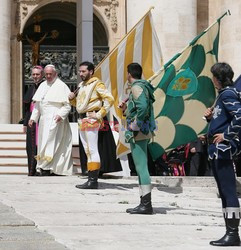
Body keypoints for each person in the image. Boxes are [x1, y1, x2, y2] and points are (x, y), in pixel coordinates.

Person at [204, 62, 241, 246]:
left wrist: (226, 135)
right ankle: (230, 232)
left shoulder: (227, 94)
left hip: (223, 150)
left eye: (213, 76)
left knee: (228, 191)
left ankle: (233, 233)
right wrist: (210, 120)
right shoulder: (223, 95)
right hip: (216, 150)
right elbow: (225, 118)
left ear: (218, 78)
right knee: (224, 192)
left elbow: (240, 116)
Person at [69, 61, 114, 189]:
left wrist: (99, 115)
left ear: (91, 71)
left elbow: (109, 99)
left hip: (91, 119)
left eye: (83, 71)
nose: (80, 73)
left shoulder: (97, 84)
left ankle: (93, 180)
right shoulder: (82, 85)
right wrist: (72, 99)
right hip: (82, 119)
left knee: (92, 149)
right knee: (88, 150)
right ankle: (91, 178)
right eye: (79, 71)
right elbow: (79, 105)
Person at [119, 63, 156, 214]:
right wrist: (125, 110)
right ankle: (144, 201)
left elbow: (142, 107)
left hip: (139, 131)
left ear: (129, 74)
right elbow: (138, 107)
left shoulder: (136, 87)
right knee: (141, 166)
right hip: (142, 129)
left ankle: (146, 204)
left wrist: (135, 124)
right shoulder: (142, 86)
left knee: (141, 167)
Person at [28, 64, 73, 176]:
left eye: (50, 74)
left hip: (55, 119)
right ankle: (43, 166)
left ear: (55, 74)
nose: (48, 76)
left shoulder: (61, 86)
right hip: (44, 120)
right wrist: (33, 118)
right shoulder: (43, 85)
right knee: (43, 142)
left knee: (53, 143)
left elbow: (67, 105)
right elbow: (38, 104)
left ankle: (51, 167)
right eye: (46, 74)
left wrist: (60, 115)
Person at [23, 65, 44, 176]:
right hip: (32, 120)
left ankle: (44, 169)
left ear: (42, 75)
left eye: (37, 74)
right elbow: (27, 109)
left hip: (43, 120)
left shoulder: (46, 86)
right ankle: (32, 170)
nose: (35, 76)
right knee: (30, 146)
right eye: (33, 74)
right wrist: (25, 123)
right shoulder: (31, 88)